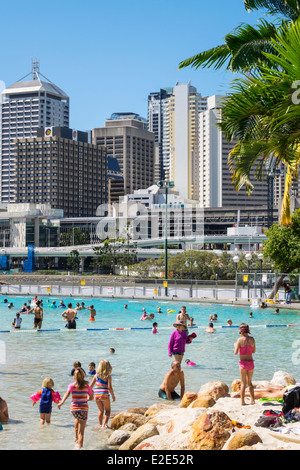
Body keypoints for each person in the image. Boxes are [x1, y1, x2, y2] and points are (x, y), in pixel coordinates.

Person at [58, 368, 93, 450]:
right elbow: (91, 397)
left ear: (74, 377)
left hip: (74, 409)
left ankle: (76, 437)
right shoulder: (86, 385)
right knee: (82, 432)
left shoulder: (71, 385)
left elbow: (66, 394)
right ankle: (79, 447)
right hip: (83, 409)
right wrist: (86, 399)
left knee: (77, 419)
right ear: (83, 376)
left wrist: (61, 402)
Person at [234, 323, 256, 406]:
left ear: (241, 332)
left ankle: (243, 402)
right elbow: (253, 351)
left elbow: (235, 353)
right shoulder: (252, 339)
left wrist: (235, 345)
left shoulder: (239, 340)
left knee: (243, 383)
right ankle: (252, 400)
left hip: (243, 363)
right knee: (250, 383)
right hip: (251, 363)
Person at [90, 360, 115, 429]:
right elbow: (109, 387)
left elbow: (90, 387)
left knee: (101, 410)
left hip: (96, 395)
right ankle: (105, 425)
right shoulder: (108, 377)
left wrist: (91, 394)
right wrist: (113, 396)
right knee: (108, 410)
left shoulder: (96, 375)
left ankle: (100, 425)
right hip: (104, 394)